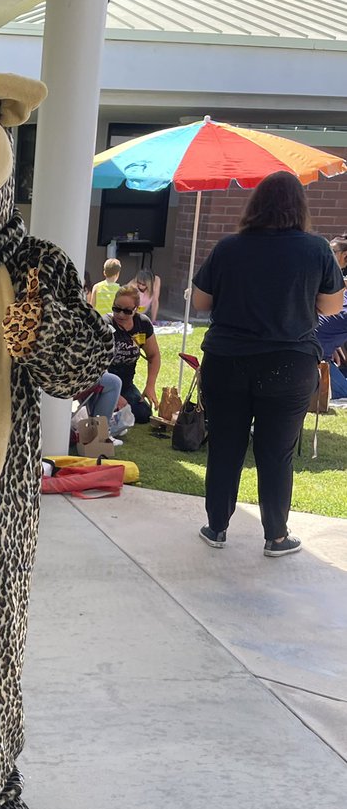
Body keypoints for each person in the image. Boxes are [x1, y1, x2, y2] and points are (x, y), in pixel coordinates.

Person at [192, 171, 345, 556]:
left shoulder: (229, 248)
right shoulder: (316, 250)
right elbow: (332, 305)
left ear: (255, 205)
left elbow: (200, 302)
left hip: (226, 360)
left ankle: (216, 528)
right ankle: (276, 536)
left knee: (225, 444)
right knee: (275, 450)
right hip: (289, 363)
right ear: (301, 207)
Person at [105, 284, 161, 422]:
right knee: (109, 413)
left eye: (127, 311)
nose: (120, 314)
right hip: (104, 382)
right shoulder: (105, 324)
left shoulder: (142, 324)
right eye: (116, 309)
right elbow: (95, 364)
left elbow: (154, 356)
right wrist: (114, 395)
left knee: (143, 414)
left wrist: (150, 386)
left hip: (126, 384)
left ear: (136, 309)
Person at [316, 235, 347, 399]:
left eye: (332, 251)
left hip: (321, 353)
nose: (328, 256)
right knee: (343, 393)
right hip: (313, 355)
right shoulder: (327, 280)